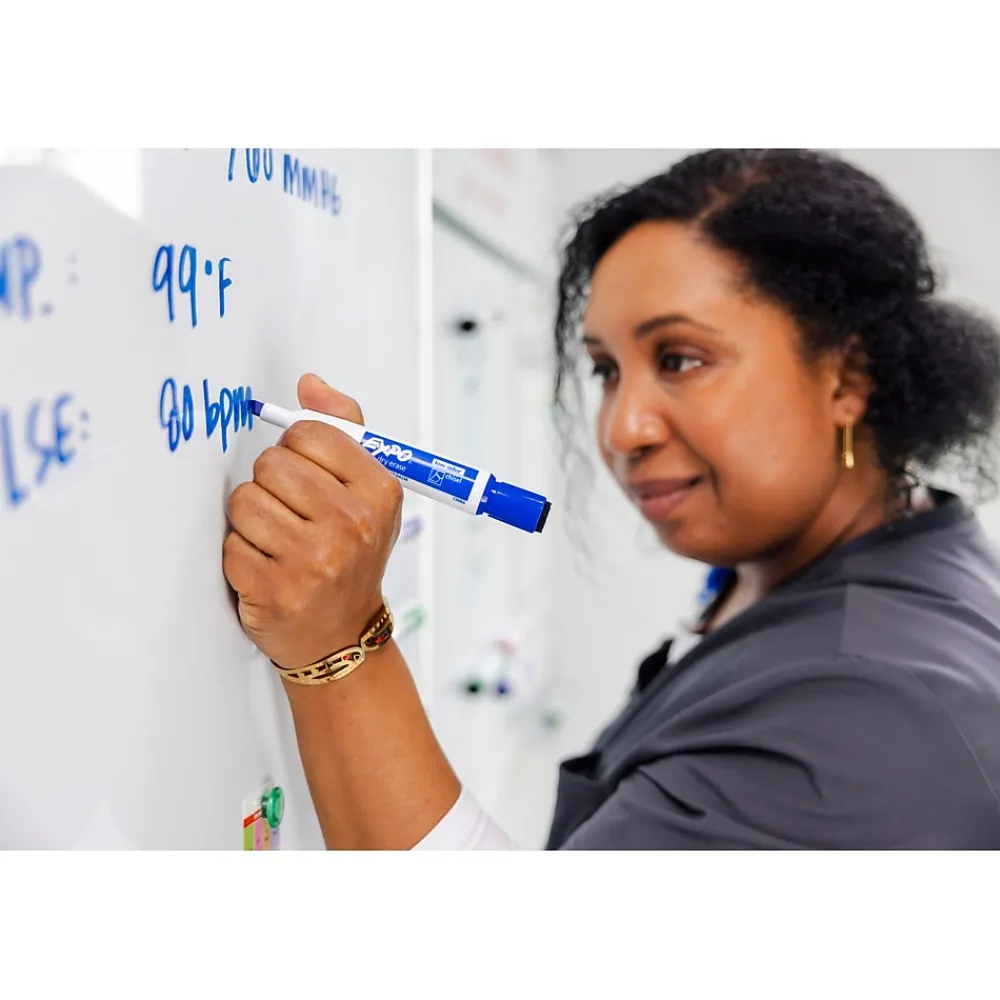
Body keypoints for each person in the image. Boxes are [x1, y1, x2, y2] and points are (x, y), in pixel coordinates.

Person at [222, 149, 1000, 849]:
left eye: (681, 359)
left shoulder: (868, 717)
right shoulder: (839, 558)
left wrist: (340, 645)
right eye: (606, 370)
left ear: (848, 377)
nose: (623, 428)